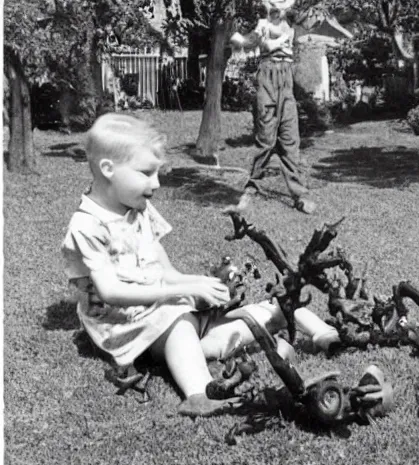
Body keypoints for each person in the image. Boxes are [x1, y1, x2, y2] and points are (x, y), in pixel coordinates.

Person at [61, 113, 339, 417]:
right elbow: (111, 291)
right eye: (146, 172)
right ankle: (200, 392)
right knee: (180, 321)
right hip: (126, 326)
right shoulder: (87, 226)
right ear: (108, 169)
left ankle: (324, 333)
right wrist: (184, 291)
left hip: (163, 310)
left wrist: (200, 288)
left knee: (248, 309)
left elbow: (165, 272)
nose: (156, 183)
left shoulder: (137, 207)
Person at [226, 0, 317, 215]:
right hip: (268, 76)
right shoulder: (263, 25)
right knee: (266, 139)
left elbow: (310, 20)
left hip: (286, 78)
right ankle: (252, 186)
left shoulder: (294, 21)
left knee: (290, 138)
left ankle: (298, 194)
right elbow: (251, 42)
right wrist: (236, 37)